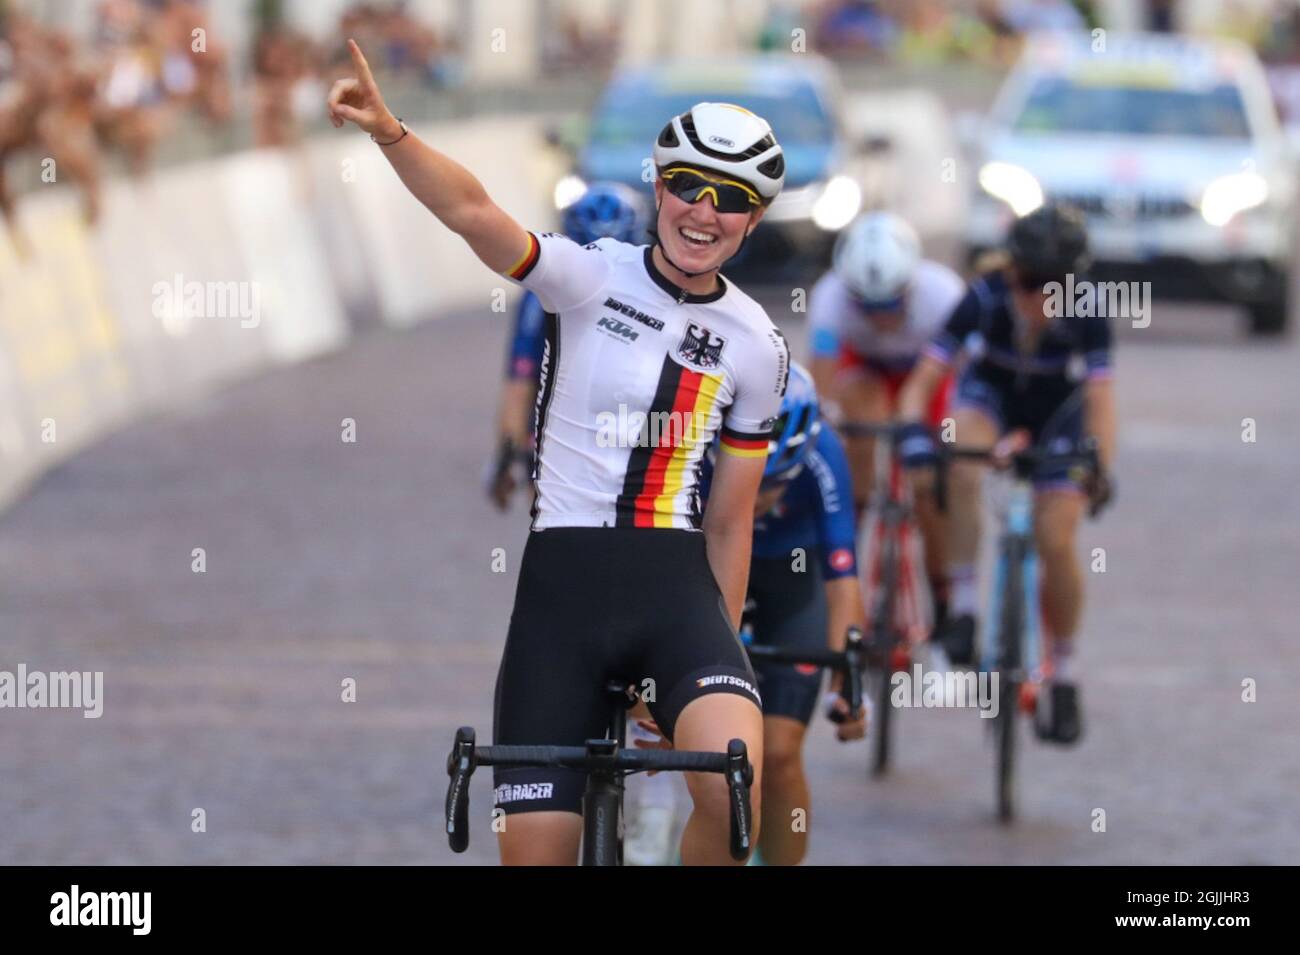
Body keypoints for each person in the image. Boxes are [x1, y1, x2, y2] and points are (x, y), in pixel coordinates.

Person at [328, 43, 790, 864]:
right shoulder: (588, 275)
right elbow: (474, 212)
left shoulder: (757, 344)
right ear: (659, 186)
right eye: (688, 185)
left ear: (753, 219)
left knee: (731, 777)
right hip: (562, 597)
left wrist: (725, 650)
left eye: (732, 199)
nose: (703, 211)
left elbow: (731, 522)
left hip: (677, 596)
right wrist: (390, 130)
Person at [895, 202, 1116, 743]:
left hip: (1056, 417)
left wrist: (1099, 465)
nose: (1036, 296)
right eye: (1026, 281)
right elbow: (924, 381)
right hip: (990, 401)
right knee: (960, 455)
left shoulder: (1090, 310)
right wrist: (912, 433)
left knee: (1055, 536)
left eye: (1052, 284)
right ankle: (965, 607)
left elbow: (1100, 400)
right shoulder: (982, 298)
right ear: (1008, 271)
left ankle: (1063, 671)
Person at [697, 362, 868, 865]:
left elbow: (843, 583)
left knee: (778, 754)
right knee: (694, 747)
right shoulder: (694, 453)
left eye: (773, 488)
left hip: (792, 580)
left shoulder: (825, 457)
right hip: (707, 570)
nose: (756, 501)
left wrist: (850, 684)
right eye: (749, 481)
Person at [808, 211, 965, 625]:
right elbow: (822, 384)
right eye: (867, 305)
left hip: (926, 372)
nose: (879, 316)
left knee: (927, 483)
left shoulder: (944, 294)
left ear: (911, 284)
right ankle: (855, 525)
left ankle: (942, 591)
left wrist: (946, 435)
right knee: (857, 422)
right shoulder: (830, 296)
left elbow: (965, 382)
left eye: (891, 303)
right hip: (868, 371)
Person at [486, 182, 649, 510]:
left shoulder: (539, 294)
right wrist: (510, 454)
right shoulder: (656, 288)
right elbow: (521, 380)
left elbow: (520, 379)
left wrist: (508, 454)